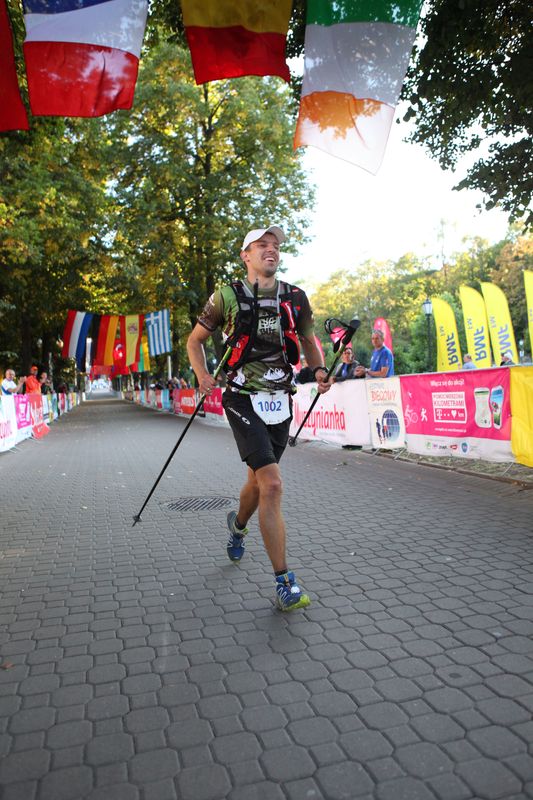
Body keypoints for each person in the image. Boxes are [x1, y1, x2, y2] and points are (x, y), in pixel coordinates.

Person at [187, 224, 332, 611]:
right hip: (241, 397)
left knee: (257, 481)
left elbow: (309, 342)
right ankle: (285, 582)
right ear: (245, 255)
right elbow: (194, 341)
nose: (271, 250)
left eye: (275, 245)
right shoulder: (226, 296)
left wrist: (319, 370)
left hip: (280, 400)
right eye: (262, 245)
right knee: (273, 484)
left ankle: (237, 526)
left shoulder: (295, 297)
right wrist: (202, 375)